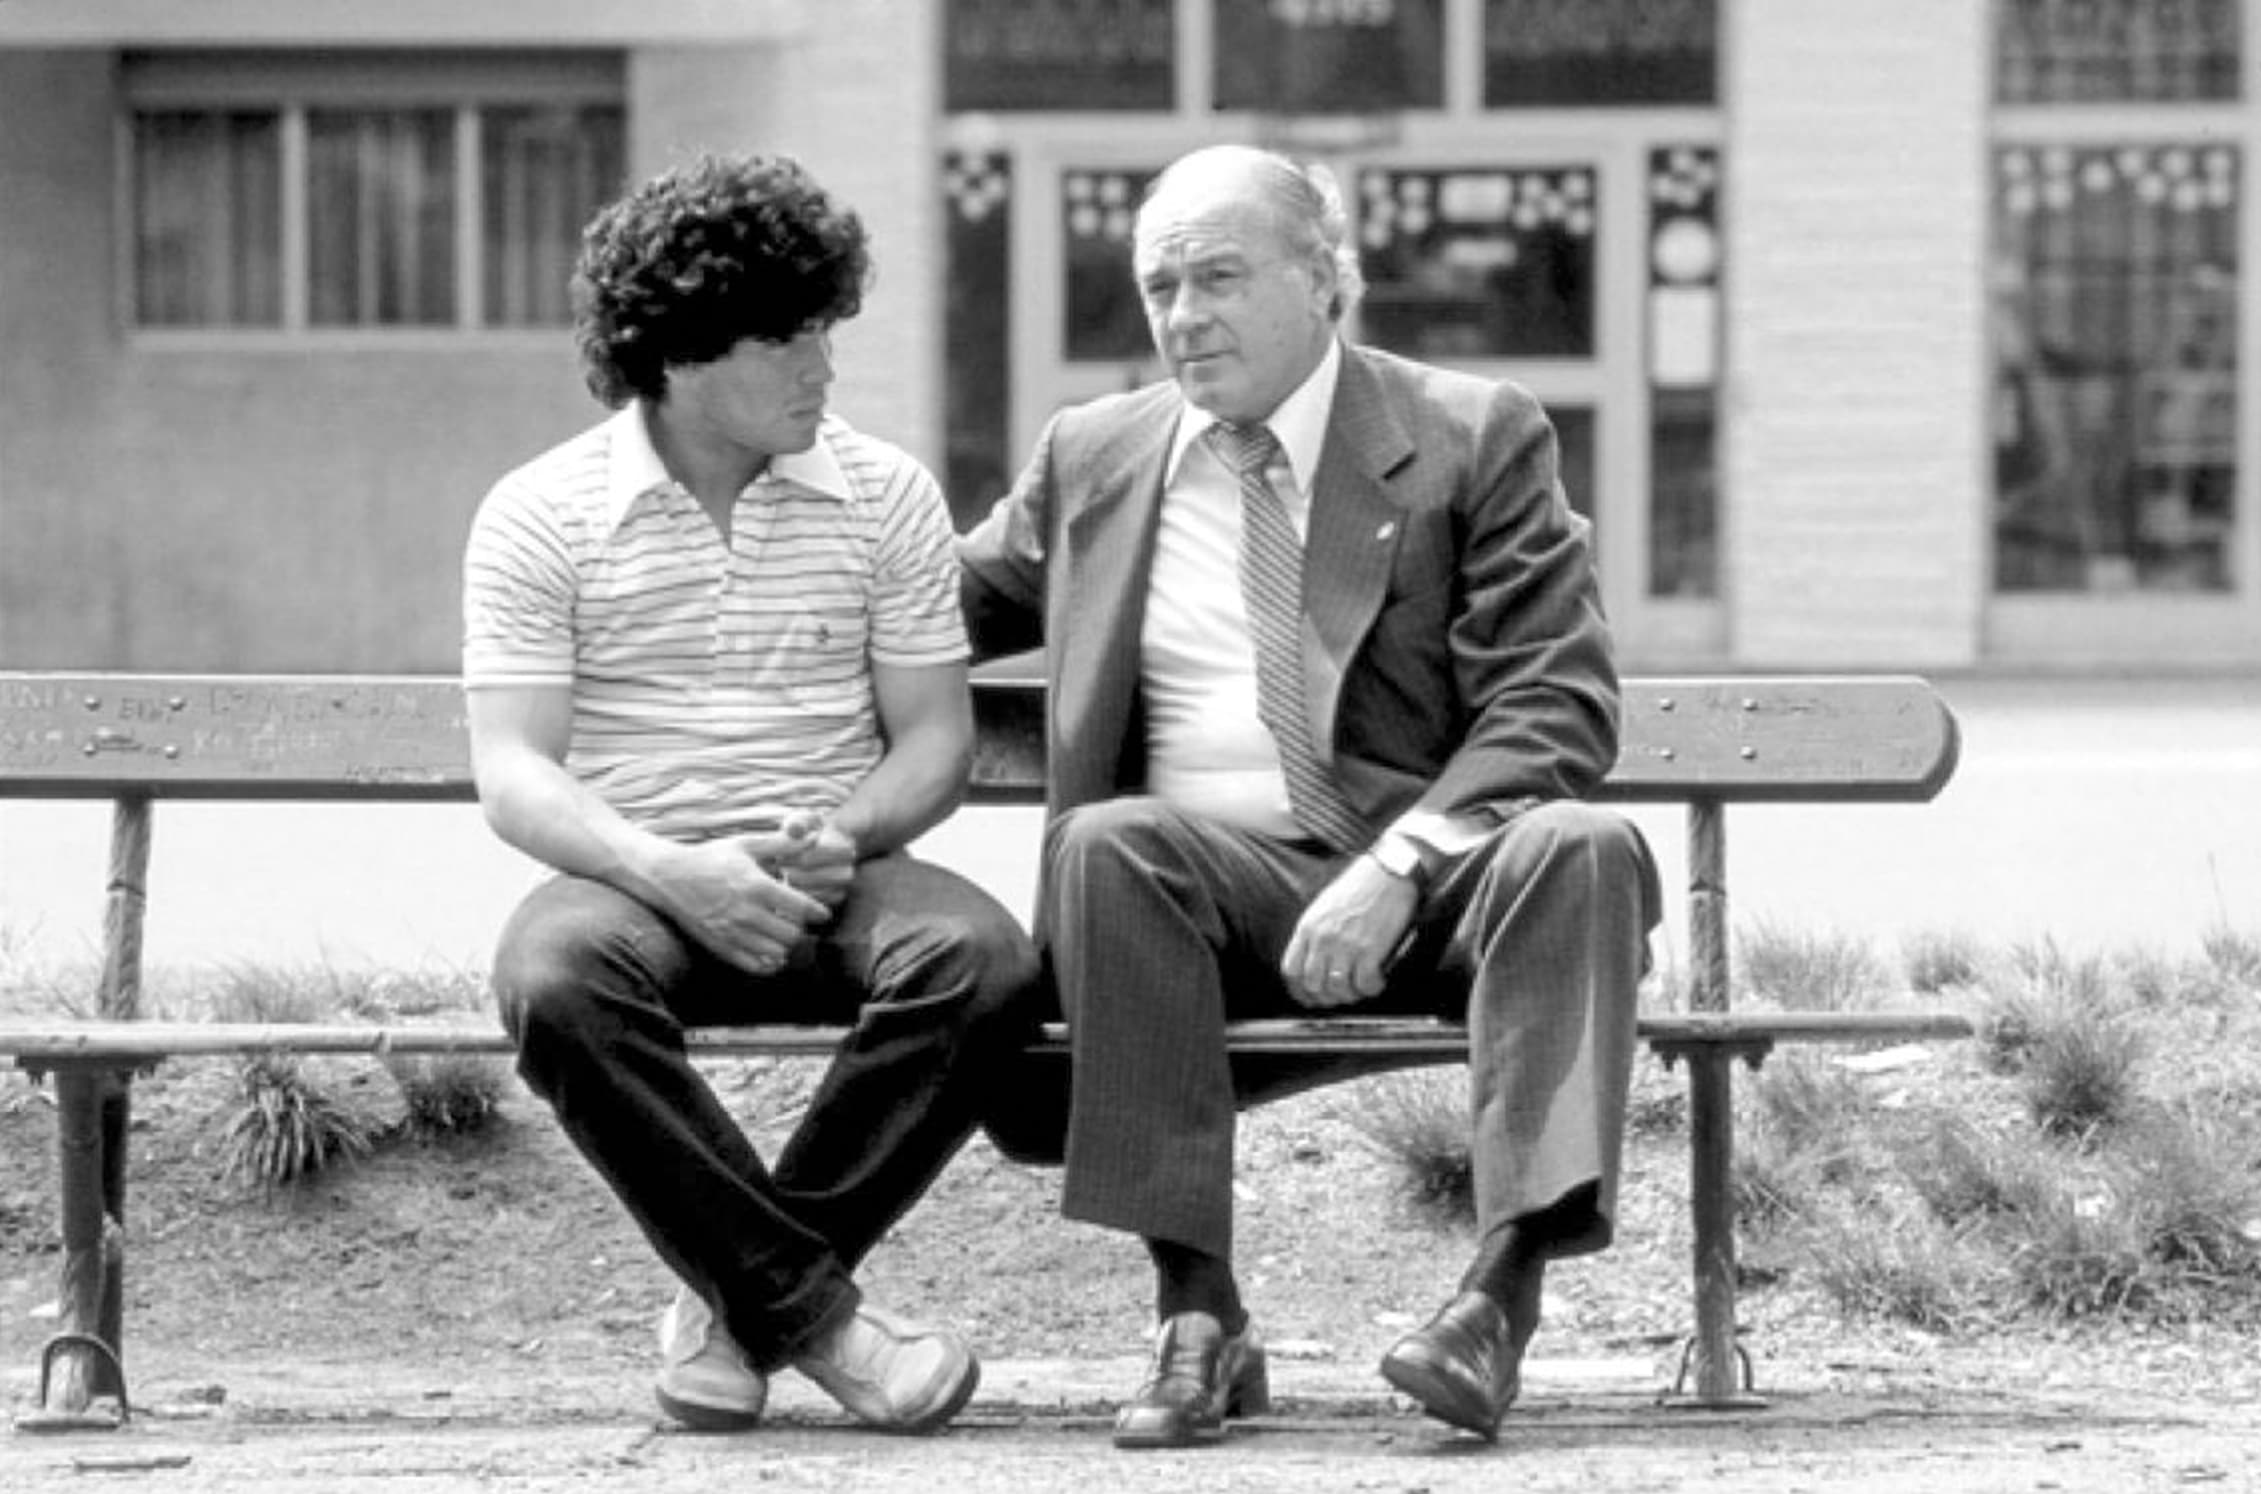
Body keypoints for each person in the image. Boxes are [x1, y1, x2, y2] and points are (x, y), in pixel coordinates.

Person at [959, 144, 1661, 1448]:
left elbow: (1553, 704)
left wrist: (1397, 865)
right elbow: (919, 610)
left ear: (1325, 280)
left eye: (1219, 275)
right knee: (1106, 843)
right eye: (1160, 283)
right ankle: (1197, 1312)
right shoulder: (1094, 458)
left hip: (1433, 879)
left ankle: (1497, 1301)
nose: (1184, 314)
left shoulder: (1469, 434)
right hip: (1198, 891)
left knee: (1584, 843)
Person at [462, 152, 1039, 1436]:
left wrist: (844, 834)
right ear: (672, 351)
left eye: (825, 329)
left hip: (835, 872)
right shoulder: (538, 514)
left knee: (984, 961)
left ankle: (735, 1314)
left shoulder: (884, 495)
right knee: (553, 985)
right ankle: (824, 1323)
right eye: (785, 337)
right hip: (633, 880)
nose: (821, 366)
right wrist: (670, 871)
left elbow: (933, 740)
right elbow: (512, 770)